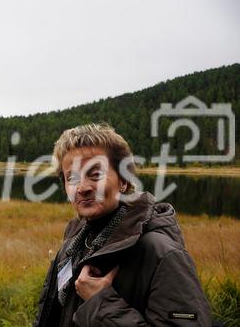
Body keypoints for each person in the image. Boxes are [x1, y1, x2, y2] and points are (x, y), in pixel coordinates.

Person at [34, 123, 212, 326]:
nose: (82, 188)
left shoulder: (161, 253)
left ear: (124, 181)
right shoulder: (73, 244)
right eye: (72, 177)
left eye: (95, 174)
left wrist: (100, 303)